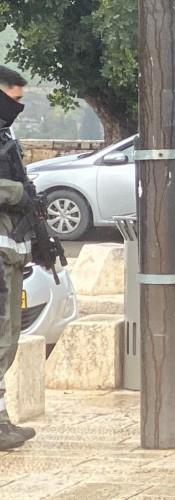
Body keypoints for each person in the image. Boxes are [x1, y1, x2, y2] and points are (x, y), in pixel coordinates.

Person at [0, 66, 35, 450]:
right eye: (13, 97)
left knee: (8, 340)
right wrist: (15, 193)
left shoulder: (5, 135)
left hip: (10, 253)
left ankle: (2, 421)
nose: (18, 106)